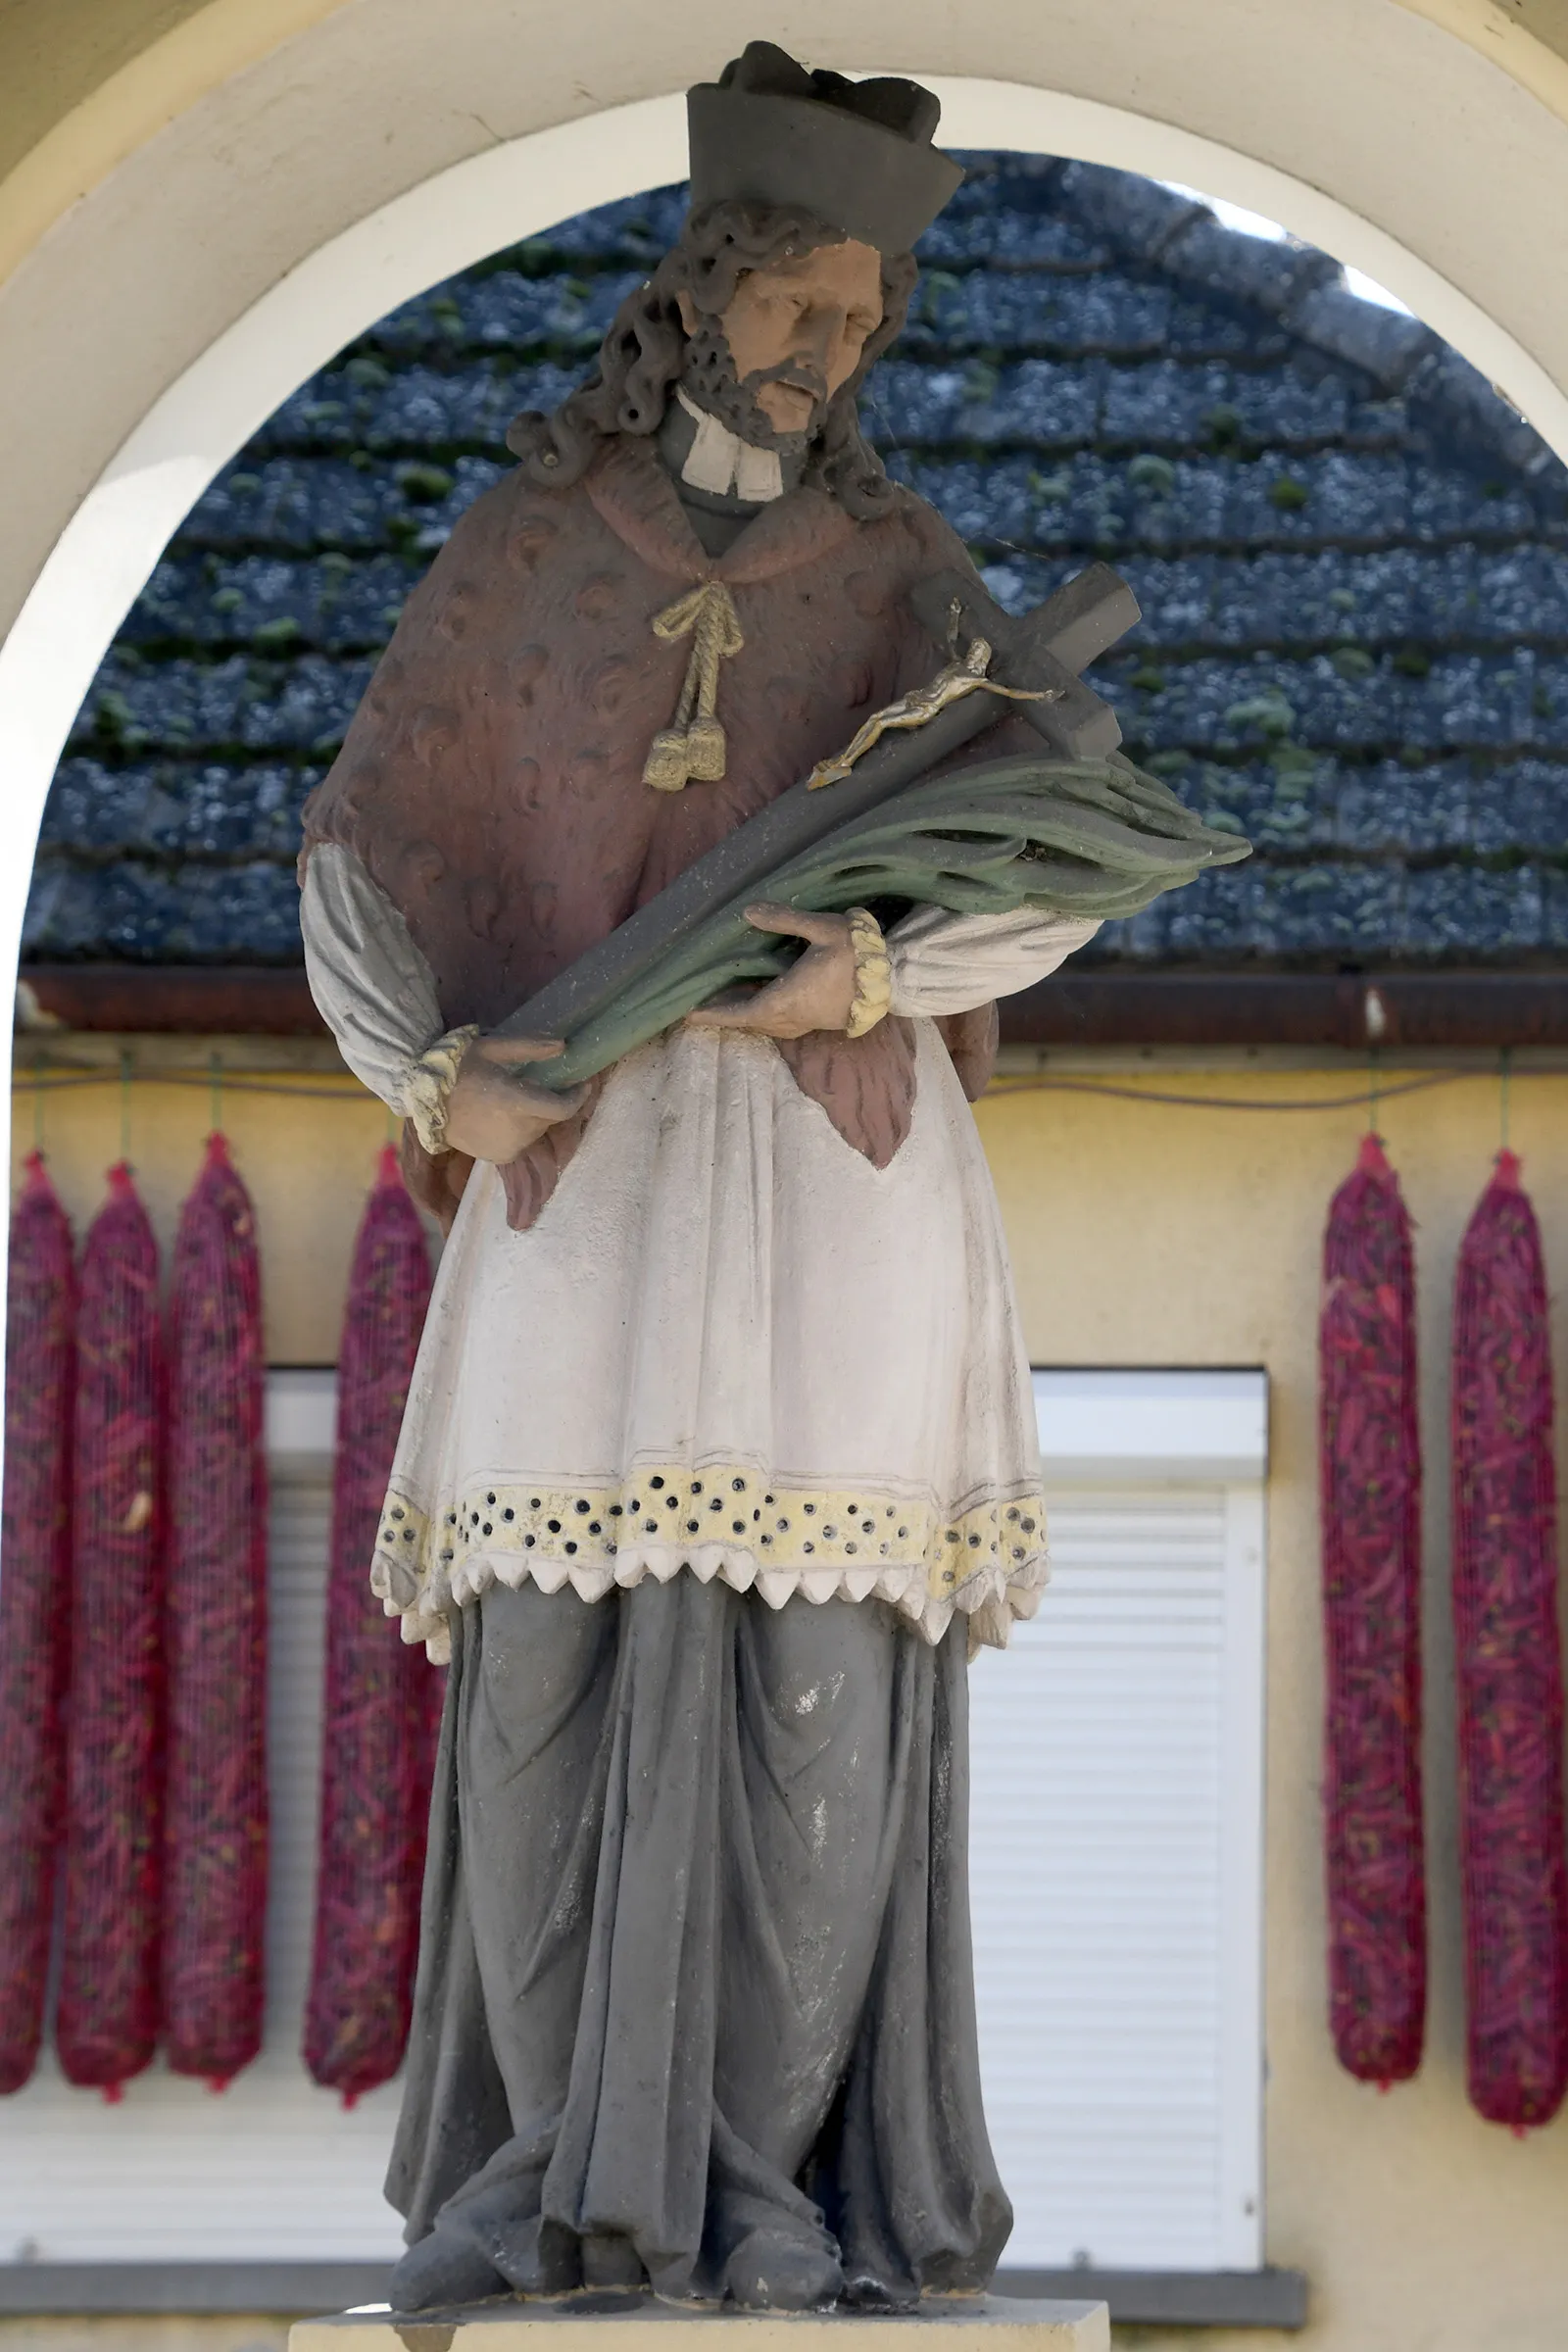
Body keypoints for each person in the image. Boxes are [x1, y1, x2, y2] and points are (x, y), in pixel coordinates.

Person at [300, 42, 1182, 2314]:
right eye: (798, 303)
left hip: (829, 1186)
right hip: (580, 1190)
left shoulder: (901, 576)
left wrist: (873, 974)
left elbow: (1047, 864)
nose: (832, 353)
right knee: (534, 1692)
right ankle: (543, 2192)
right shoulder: (518, 555)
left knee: (817, 1706)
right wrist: (432, 1081)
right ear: (693, 293)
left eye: (867, 318)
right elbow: (366, 850)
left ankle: (769, 2195)